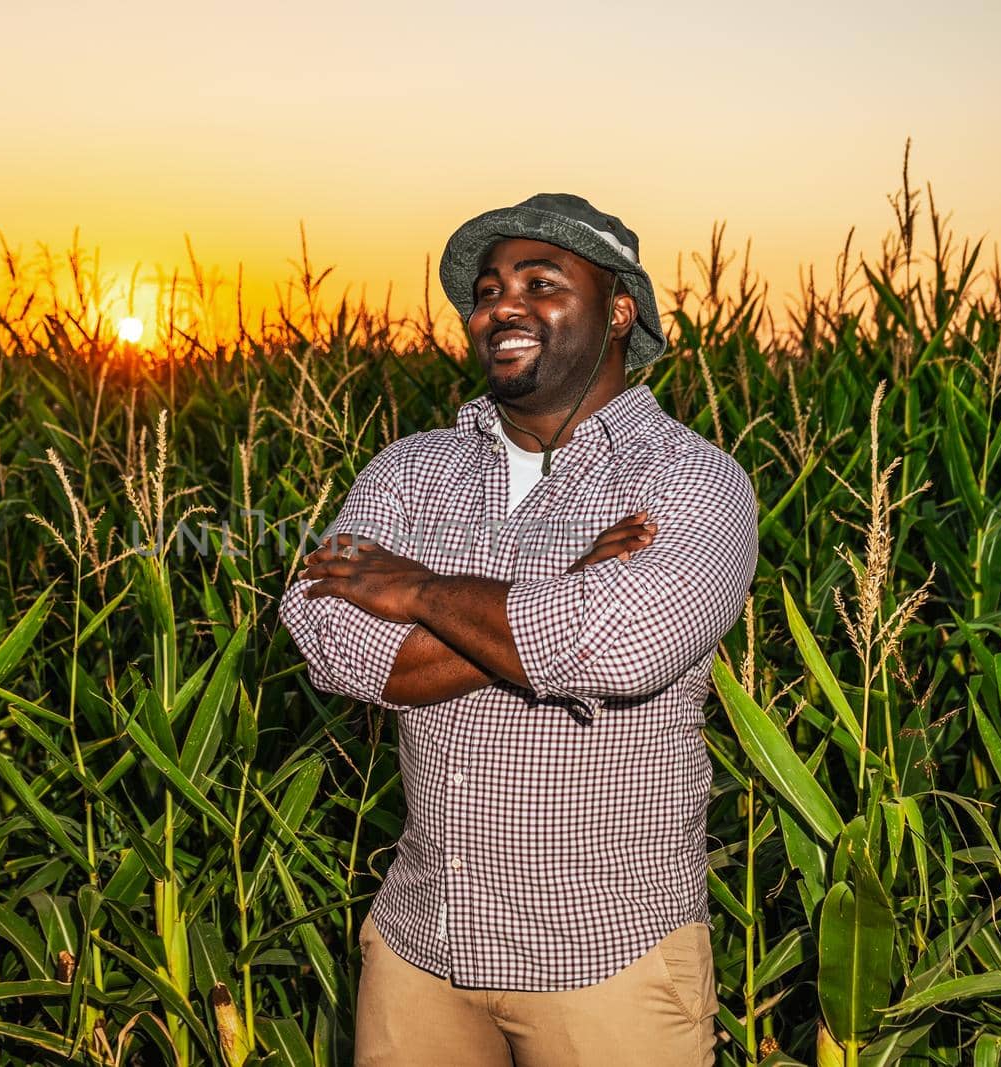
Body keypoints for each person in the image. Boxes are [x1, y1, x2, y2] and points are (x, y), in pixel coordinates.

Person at [277, 193, 758, 1066]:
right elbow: (329, 638)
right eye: (490, 287)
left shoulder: (694, 479)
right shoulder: (410, 468)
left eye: (543, 282)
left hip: (607, 960)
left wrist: (417, 588)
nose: (504, 303)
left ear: (619, 312)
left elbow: (624, 646)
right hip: (420, 943)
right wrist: (566, 586)